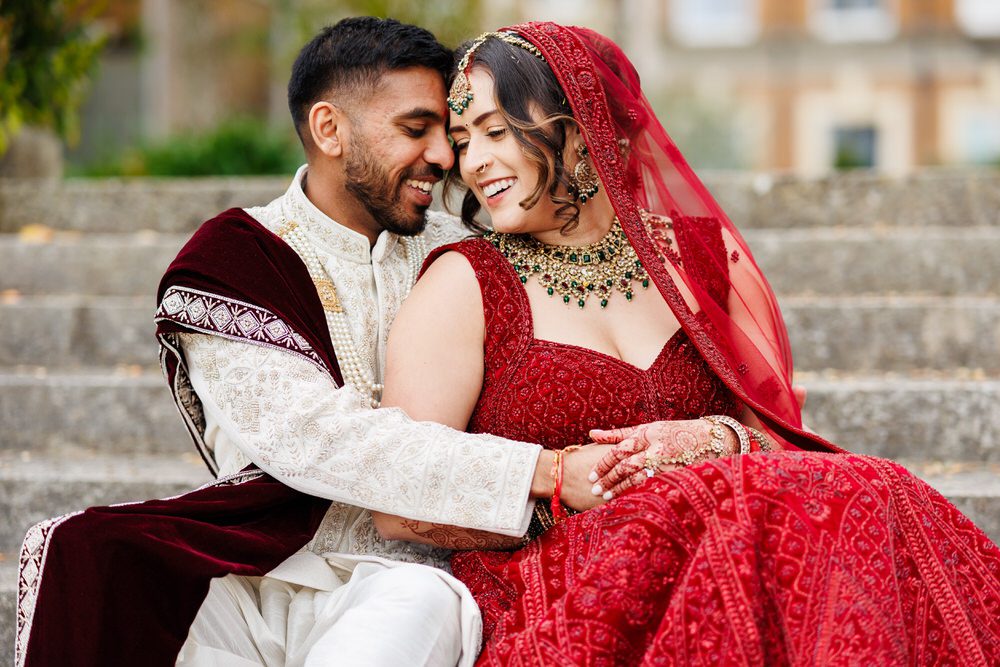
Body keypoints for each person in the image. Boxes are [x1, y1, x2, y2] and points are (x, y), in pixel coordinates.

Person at [374, 23, 1000, 665]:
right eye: (462, 139)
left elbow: (785, 445)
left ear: (581, 127)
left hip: (742, 550)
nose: (472, 161)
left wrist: (717, 439)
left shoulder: (708, 260)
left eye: (496, 131)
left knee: (870, 486)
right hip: (572, 581)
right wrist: (560, 492)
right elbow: (400, 503)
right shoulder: (464, 285)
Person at [15, 18, 617, 667]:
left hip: (402, 575)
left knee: (418, 602)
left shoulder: (471, 254)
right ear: (330, 129)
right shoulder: (236, 257)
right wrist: (545, 472)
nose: (446, 157)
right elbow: (314, 435)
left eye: (451, 132)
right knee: (92, 559)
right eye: (416, 130)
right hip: (252, 574)